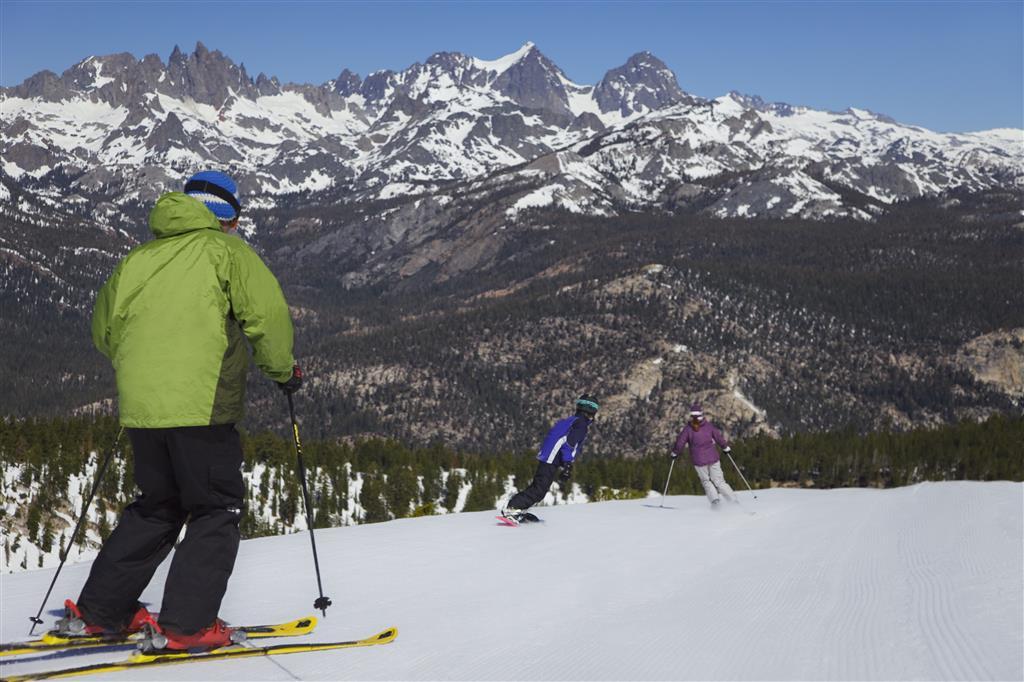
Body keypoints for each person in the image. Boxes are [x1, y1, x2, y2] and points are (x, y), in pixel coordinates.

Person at [58, 171, 303, 651]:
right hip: (202, 404)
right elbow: (267, 319)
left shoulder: (138, 258)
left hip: (143, 408)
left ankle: (100, 612)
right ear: (225, 216)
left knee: (158, 506)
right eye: (235, 218)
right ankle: (186, 626)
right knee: (216, 506)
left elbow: (104, 332)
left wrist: (147, 372)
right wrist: (283, 372)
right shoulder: (228, 253)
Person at [502, 395, 599, 521]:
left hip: (549, 455)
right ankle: (513, 508)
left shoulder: (573, 420)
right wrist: (568, 464)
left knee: (539, 487)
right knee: (539, 489)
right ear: (591, 412)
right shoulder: (581, 425)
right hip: (552, 457)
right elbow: (569, 444)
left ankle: (519, 508)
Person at [671, 403, 736, 507]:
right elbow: (718, 437)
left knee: (706, 481)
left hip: (699, 461)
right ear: (701, 415)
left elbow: (680, 443)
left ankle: (715, 502)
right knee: (719, 481)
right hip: (713, 458)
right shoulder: (708, 426)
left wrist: (675, 453)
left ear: (691, 416)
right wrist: (725, 447)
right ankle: (733, 501)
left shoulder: (688, 429)